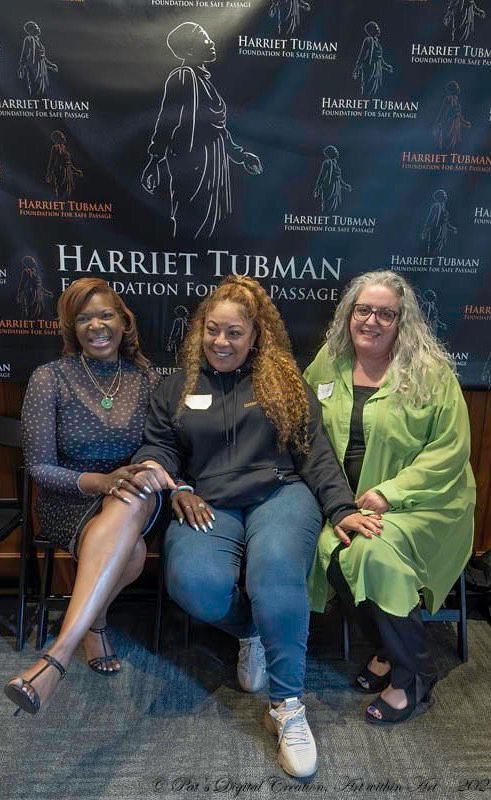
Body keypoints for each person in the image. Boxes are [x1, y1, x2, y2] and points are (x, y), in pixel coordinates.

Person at [132, 275, 379, 779]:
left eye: (234, 333)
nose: (221, 343)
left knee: (274, 574)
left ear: (255, 336)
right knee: (193, 584)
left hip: (279, 493)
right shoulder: (177, 385)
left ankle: (288, 707)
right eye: (213, 330)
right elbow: (157, 447)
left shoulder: (283, 381)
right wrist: (177, 486)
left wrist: (340, 506)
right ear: (201, 329)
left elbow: (316, 453)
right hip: (208, 501)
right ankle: (253, 633)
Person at [304, 270, 476, 725]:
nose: (372, 321)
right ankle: (385, 647)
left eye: (386, 314)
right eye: (364, 310)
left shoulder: (430, 374)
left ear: (403, 322)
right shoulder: (328, 362)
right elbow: (305, 430)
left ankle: (415, 676)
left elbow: (450, 452)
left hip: (428, 504)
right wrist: (339, 502)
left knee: (371, 556)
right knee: (328, 548)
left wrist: (389, 492)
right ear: (348, 315)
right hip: (351, 503)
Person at [4, 278, 175, 716]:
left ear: (124, 322)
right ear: (71, 328)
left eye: (106, 315)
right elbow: (39, 467)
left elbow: (164, 448)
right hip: (70, 499)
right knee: (132, 554)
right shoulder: (50, 379)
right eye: (84, 319)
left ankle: (57, 655)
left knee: (132, 492)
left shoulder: (147, 378)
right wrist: (99, 482)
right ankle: (93, 626)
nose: (96, 326)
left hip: (136, 499)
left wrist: (126, 481)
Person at [141, 22, 262, 240]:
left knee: (212, 229)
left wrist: (241, 156)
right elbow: (166, 123)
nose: (212, 43)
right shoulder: (183, 77)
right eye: (206, 39)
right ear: (190, 48)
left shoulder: (205, 82)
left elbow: (219, 129)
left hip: (215, 162)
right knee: (193, 224)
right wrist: (155, 160)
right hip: (192, 165)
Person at [18, 21, 58, 98]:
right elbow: (24, 54)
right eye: (36, 27)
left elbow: (44, 58)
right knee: (35, 88)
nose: (38, 29)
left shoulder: (39, 42)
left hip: (42, 69)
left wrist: (51, 65)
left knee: (43, 91)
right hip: (34, 69)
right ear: (31, 30)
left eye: (37, 27)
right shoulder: (28, 39)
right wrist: (21, 67)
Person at [352, 21, 393, 97]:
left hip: (378, 69)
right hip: (370, 68)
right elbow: (362, 56)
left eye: (377, 27)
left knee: (376, 91)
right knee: (368, 89)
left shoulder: (378, 43)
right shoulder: (368, 40)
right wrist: (357, 68)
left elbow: (380, 59)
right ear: (371, 30)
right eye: (376, 28)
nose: (378, 29)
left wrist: (387, 67)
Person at [313, 146, 351, 213]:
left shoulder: (336, 163)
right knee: (327, 208)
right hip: (328, 189)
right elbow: (321, 176)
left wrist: (345, 186)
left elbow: (339, 179)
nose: (337, 152)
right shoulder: (327, 163)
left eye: (336, 151)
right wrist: (317, 188)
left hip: (336, 190)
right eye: (335, 151)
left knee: (334, 210)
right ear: (331, 153)